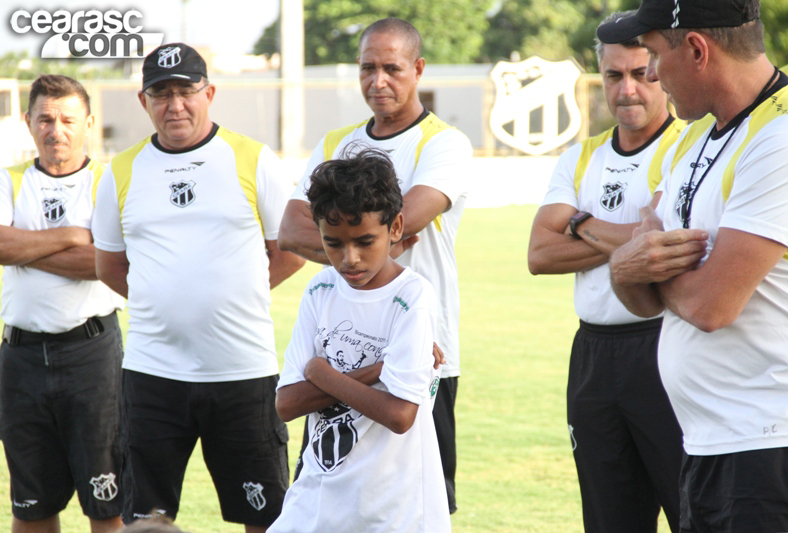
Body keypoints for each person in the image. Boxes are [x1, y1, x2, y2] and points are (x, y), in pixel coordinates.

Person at [598, 0, 788, 530]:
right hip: (708, 444)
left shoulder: (784, 138)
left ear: (695, 49)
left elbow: (711, 306)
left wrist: (635, 264)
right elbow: (645, 295)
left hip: (771, 447)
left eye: (654, 57)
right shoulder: (697, 141)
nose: (654, 77)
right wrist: (629, 269)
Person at [91, 43, 305, 532]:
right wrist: (163, 299)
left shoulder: (252, 158)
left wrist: (236, 294)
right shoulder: (120, 172)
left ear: (208, 93)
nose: (175, 105)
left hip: (242, 371)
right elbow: (109, 266)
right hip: (152, 374)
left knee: (266, 516)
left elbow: (289, 250)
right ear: (144, 102)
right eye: (160, 94)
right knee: (146, 519)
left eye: (185, 91)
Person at [277, 17, 471, 513]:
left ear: (418, 69)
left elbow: (405, 224)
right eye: (367, 68)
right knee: (327, 488)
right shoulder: (335, 142)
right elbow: (291, 231)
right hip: (339, 342)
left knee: (416, 502)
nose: (377, 81)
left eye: (391, 68)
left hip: (421, 351)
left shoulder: (443, 143)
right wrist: (365, 248)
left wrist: (341, 245)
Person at [527, 12, 683, 531]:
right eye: (614, 76)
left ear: (662, 68)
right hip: (593, 357)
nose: (629, 89)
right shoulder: (580, 158)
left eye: (642, 73)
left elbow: (661, 248)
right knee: (609, 518)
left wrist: (579, 222)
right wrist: (629, 238)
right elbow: (538, 255)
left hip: (664, 347)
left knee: (692, 510)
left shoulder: (685, 149)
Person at [268, 147, 450, 532]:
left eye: (365, 241)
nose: (349, 258)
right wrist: (377, 371)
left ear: (396, 228)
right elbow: (287, 403)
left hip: (389, 510)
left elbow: (400, 415)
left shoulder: (413, 297)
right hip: (317, 499)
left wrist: (321, 371)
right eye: (333, 243)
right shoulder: (320, 290)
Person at [0, 74, 125, 533]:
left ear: (89, 123)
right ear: (28, 122)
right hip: (21, 356)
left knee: (107, 503)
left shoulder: (107, 183)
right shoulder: (9, 180)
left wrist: (27, 247)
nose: (57, 130)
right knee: (31, 505)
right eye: (46, 118)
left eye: (68, 119)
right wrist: (73, 236)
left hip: (90, 355)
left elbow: (105, 264)